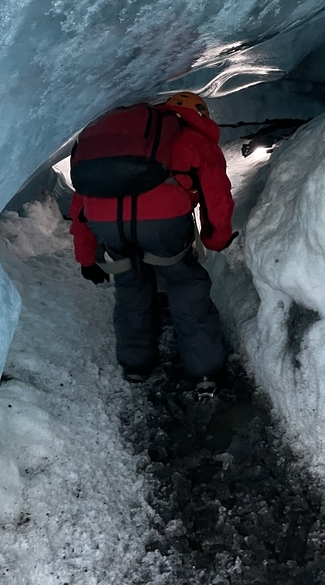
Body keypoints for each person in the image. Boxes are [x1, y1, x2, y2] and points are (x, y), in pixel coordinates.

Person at [68, 92, 235, 396]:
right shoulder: (190, 138)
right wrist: (216, 237)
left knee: (131, 285)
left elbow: (81, 206)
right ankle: (205, 373)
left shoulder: (125, 143)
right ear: (199, 114)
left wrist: (87, 258)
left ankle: (136, 366)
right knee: (186, 285)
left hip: (105, 223)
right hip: (163, 221)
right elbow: (216, 193)